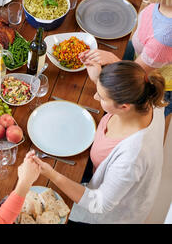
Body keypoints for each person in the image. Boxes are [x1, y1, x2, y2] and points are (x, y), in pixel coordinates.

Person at [29, 61, 166, 224]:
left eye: (100, 96)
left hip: (115, 211)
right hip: (101, 172)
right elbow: (126, 82)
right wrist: (100, 79)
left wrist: (51, 174)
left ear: (123, 106)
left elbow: (99, 203)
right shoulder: (145, 97)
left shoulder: (132, 156)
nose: (95, 97)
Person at [81, 0, 172, 123]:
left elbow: (134, 75)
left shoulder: (164, 38)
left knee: (121, 119)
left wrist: (110, 60)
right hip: (142, 54)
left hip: (154, 81)